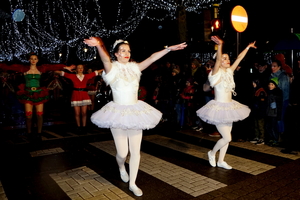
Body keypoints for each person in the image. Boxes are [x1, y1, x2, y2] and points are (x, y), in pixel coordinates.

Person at [83, 37, 187, 196]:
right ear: (116, 54)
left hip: (136, 112)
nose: (126, 53)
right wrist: (99, 46)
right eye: (123, 51)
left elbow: (152, 58)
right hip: (117, 113)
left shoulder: (135, 68)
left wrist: (168, 49)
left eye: (128, 51)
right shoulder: (111, 69)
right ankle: (121, 167)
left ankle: (133, 183)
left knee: (136, 152)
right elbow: (104, 58)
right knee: (122, 153)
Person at [196, 36, 256, 169]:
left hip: (230, 107)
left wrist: (247, 47)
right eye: (224, 59)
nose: (227, 60)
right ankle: (212, 153)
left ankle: (221, 161)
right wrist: (220, 45)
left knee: (227, 137)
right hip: (218, 108)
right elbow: (217, 59)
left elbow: (239, 58)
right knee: (227, 137)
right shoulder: (215, 73)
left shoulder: (229, 71)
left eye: (228, 58)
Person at [0, 53, 74, 140]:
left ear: (37, 60)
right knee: (28, 115)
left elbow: (52, 67)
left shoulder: (41, 68)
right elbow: (9, 67)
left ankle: (39, 133)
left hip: (39, 93)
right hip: (27, 93)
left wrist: (65, 67)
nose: (33, 60)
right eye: (31, 59)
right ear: (29, 60)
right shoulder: (23, 69)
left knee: (39, 115)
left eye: (35, 59)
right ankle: (29, 132)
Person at [55, 64, 103, 134]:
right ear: (76, 69)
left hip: (84, 95)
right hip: (76, 95)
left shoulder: (87, 76)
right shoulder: (72, 76)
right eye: (78, 68)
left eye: (81, 68)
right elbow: (57, 72)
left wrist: (105, 68)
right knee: (77, 113)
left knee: (84, 113)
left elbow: (96, 72)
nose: (80, 69)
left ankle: (84, 127)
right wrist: (65, 67)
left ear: (83, 69)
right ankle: (78, 127)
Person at [265, 77, 283, 146]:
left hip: (274, 114)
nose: (270, 86)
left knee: (273, 127)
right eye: (269, 84)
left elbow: (279, 104)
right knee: (268, 127)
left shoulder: (278, 93)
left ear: (275, 85)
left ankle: (275, 139)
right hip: (269, 113)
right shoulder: (268, 92)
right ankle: (271, 139)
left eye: (272, 84)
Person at [249, 79, 267, 145]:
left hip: (260, 111)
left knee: (260, 125)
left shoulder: (261, 91)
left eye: (254, 83)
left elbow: (262, 103)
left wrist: (260, 111)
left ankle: (262, 138)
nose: (253, 84)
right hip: (256, 111)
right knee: (256, 125)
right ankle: (257, 137)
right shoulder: (256, 90)